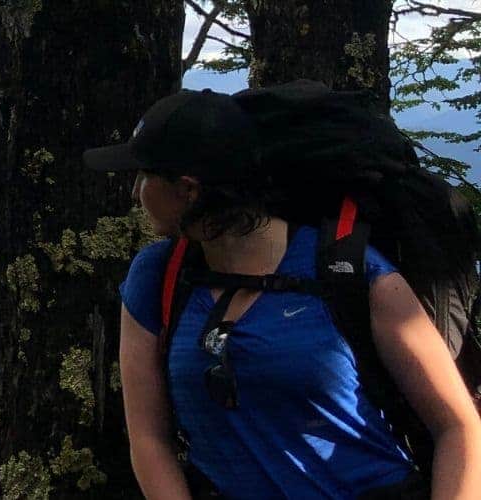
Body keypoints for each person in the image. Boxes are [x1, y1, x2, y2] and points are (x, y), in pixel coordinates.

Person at [85, 88, 481, 499]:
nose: (135, 192)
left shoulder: (349, 272)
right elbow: (151, 441)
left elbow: (459, 427)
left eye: (144, 176)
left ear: (188, 190)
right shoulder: (156, 277)